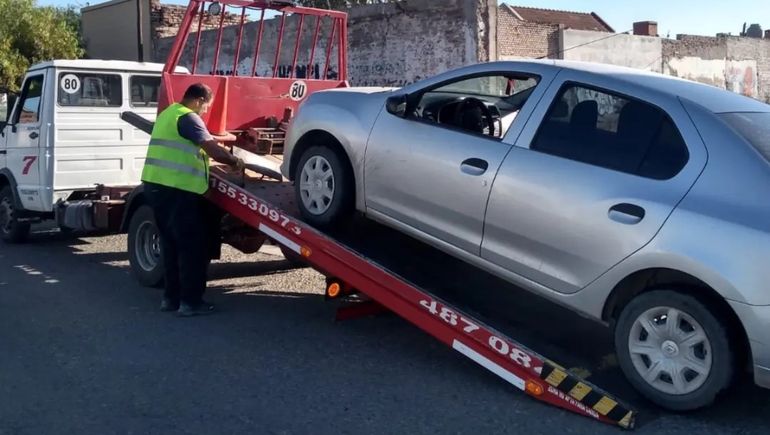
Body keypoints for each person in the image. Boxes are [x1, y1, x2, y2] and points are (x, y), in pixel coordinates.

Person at [141, 82, 245, 317]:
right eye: (206, 106)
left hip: (156, 187)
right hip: (177, 191)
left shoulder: (168, 113)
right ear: (198, 100)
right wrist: (234, 161)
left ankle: (171, 299)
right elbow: (212, 149)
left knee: (171, 245)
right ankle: (191, 302)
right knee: (193, 248)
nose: (206, 111)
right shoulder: (188, 118)